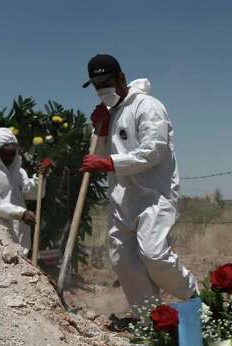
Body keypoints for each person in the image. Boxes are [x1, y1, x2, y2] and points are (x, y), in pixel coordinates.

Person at [80, 54, 197, 314]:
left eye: (107, 82)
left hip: (154, 195)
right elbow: (97, 154)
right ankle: (152, 320)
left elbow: (153, 150)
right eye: (97, 86)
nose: (103, 90)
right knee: (122, 260)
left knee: (154, 255)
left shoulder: (148, 106)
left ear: (122, 78)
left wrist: (109, 163)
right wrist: (98, 128)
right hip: (122, 198)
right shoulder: (110, 115)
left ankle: (195, 296)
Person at [0, 128, 49, 255]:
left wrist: (40, 178)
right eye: (5, 153)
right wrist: (20, 213)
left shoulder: (18, 171)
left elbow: (33, 193)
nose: (9, 157)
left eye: (12, 153)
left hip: (19, 235)